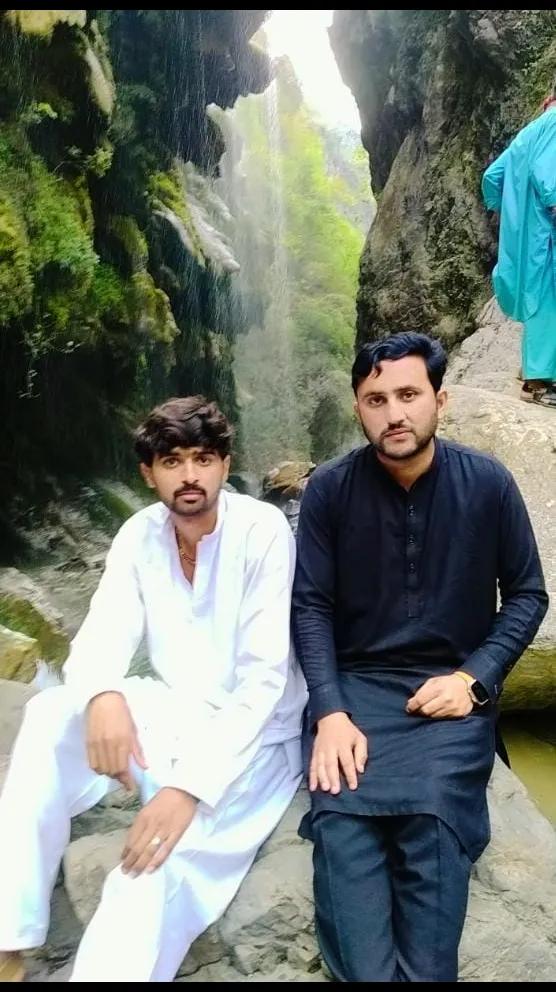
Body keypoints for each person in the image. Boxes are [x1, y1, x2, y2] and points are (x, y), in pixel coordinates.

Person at [0, 395, 306, 983]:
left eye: (203, 459)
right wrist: (102, 697)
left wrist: (186, 790)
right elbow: (102, 634)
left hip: (254, 743)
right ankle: (10, 940)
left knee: (145, 869)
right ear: (148, 473)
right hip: (171, 708)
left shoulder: (262, 530)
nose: (189, 475)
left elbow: (262, 682)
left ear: (224, 465)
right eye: (172, 461)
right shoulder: (138, 534)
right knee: (48, 714)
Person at [292, 332, 548, 982]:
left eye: (409, 394)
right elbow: (311, 607)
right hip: (355, 699)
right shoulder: (329, 491)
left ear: (441, 399)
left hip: (447, 703)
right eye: (376, 399)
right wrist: (329, 712)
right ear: (358, 407)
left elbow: (528, 595)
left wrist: (475, 679)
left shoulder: (487, 484)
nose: (394, 413)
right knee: (341, 826)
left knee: (433, 824)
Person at [482, 92, 556, 406]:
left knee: (539, 298)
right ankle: (538, 382)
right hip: (546, 232)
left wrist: (510, 212)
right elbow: (547, 172)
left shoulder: (526, 134)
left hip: (526, 236)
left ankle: (536, 369)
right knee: (547, 302)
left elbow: (492, 177)